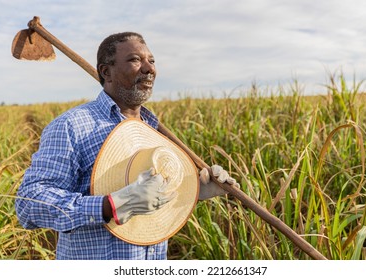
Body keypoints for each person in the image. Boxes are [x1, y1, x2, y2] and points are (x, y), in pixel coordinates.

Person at [15, 32, 239, 260]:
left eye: (151, 61)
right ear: (106, 72)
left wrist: (192, 190)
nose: (148, 68)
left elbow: (152, 197)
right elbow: (29, 202)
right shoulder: (71, 126)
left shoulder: (154, 130)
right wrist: (111, 205)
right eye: (135, 60)